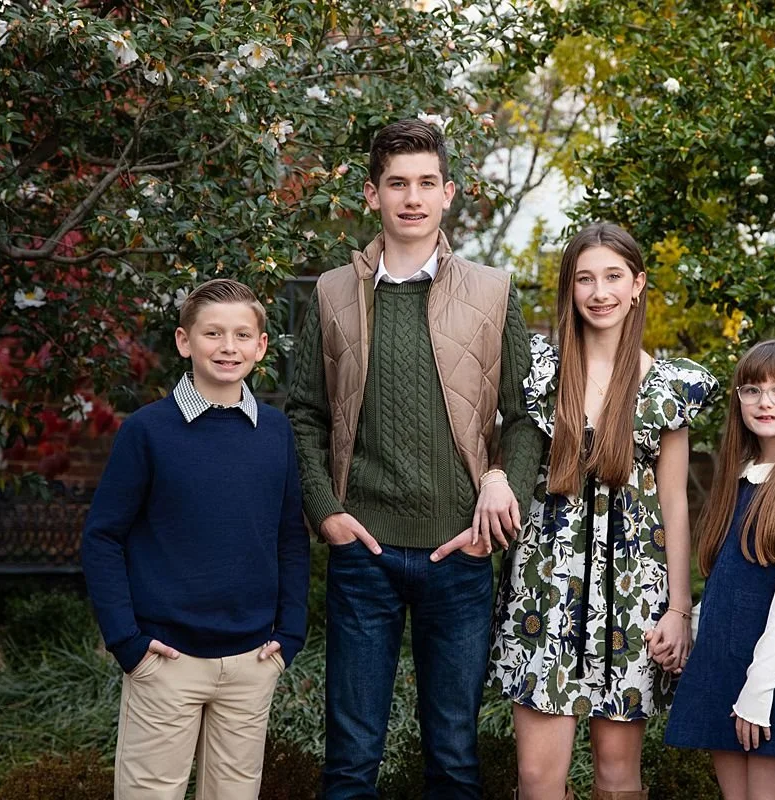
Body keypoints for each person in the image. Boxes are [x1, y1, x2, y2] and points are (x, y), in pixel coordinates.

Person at [285, 118, 542, 799]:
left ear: (449, 193)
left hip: (459, 553)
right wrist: (326, 511)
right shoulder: (332, 293)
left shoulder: (493, 292)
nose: (412, 197)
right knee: (350, 759)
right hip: (362, 552)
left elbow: (523, 419)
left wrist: (501, 489)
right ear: (372, 195)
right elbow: (304, 414)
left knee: (453, 758)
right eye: (397, 183)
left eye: (427, 182)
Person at [488, 222, 719, 800]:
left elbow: (674, 505)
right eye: (585, 278)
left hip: (631, 599)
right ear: (569, 288)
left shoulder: (665, 387)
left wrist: (679, 609)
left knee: (619, 781)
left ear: (637, 284)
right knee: (539, 780)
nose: (600, 292)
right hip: (544, 593)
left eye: (614, 276)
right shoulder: (541, 374)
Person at [81, 278, 310, 800]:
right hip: (166, 661)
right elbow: (102, 538)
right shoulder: (148, 431)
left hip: (253, 660)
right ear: (185, 342)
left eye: (241, 335)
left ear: (261, 346)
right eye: (212, 333)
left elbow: (289, 537)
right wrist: (128, 643)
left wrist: (290, 633)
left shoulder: (275, 433)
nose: (228, 347)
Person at [663, 338, 775, 800]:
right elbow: (730, 581)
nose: (765, 402)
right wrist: (692, 632)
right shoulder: (740, 476)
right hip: (725, 666)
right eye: (752, 390)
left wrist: (759, 692)